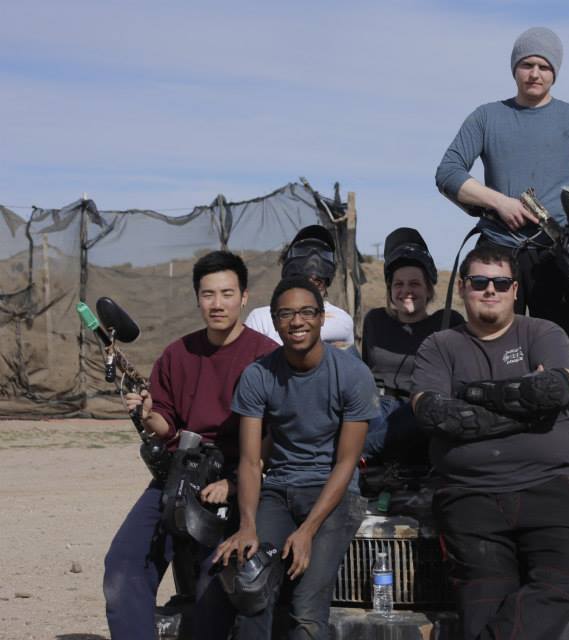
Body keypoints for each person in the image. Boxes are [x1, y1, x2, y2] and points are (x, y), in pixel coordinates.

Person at [410, 243, 569, 640]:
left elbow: (554, 391)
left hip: (548, 489)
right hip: (469, 497)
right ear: (462, 287)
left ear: (514, 290)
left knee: (564, 582)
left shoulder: (543, 332)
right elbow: (434, 414)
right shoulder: (439, 347)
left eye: (500, 282)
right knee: (481, 613)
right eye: (479, 281)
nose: (489, 290)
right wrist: (526, 404)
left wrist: (470, 395)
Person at [103, 251, 277, 639]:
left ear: (244, 297)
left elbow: (274, 435)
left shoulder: (265, 357)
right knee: (123, 566)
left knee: (212, 589)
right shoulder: (178, 354)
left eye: (227, 293)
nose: (217, 304)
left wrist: (235, 483)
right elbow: (166, 425)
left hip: (239, 478)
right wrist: (149, 414)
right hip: (179, 475)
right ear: (197, 298)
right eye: (208, 294)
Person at [215, 275, 379, 640]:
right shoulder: (259, 376)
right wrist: (247, 525)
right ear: (275, 322)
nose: (297, 321)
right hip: (278, 490)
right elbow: (251, 461)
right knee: (251, 586)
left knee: (306, 607)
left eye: (307, 312)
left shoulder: (352, 375)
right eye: (286, 314)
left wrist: (307, 530)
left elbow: (346, 463)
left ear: (323, 318)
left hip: (333, 494)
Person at [435, 26, 569, 353]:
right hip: (497, 253)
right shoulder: (486, 117)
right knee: (491, 348)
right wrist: (499, 202)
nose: (534, 73)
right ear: (514, 68)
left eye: (544, 67)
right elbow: (448, 172)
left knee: (556, 351)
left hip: (556, 256)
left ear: (555, 72)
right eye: (527, 64)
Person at [361, 227, 464, 464]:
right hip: (379, 405)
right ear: (390, 290)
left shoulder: (447, 322)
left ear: (429, 289)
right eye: (399, 284)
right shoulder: (375, 320)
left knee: (422, 416)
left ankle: (361, 453)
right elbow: (365, 369)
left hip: (421, 406)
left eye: (415, 284)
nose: (406, 291)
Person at [245, 224, 355, 347]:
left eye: (317, 282)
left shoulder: (339, 318)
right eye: (304, 250)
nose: (314, 256)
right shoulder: (260, 318)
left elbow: (298, 339)